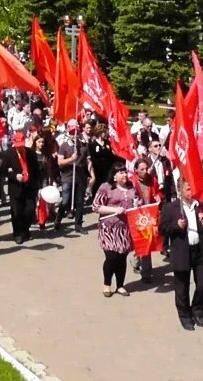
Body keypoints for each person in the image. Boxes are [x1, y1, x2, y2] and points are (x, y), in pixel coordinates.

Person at [159, 176, 203, 331]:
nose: (191, 192)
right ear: (180, 190)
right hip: (182, 251)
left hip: (200, 250)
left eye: (192, 188)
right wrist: (176, 226)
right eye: (188, 189)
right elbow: (162, 229)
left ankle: (196, 308)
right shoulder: (171, 208)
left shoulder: (200, 206)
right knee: (182, 286)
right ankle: (184, 315)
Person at [91, 163, 138, 298]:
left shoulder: (131, 188)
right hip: (109, 229)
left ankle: (120, 285)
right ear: (114, 176)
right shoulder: (106, 187)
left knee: (122, 257)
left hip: (125, 229)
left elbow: (137, 202)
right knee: (112, 257)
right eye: (121, 172)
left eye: (125, 172)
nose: (124, 175)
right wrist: (114, 210)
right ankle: (107, 284)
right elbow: (96, 206)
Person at [0, 132, 38, 244]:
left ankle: (25, 230)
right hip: (16, 188)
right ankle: (17, 233)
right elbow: (2, 171)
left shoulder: (31, 153)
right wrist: (15, 176)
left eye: (21, 145)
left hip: (29, 187)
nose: (20, 147)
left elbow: (36, 171)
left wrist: (37, 186)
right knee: (16, 212)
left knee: (29, 210)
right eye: (18, 145)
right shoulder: (8, 154)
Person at [56, 119, 90, 234]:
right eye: (71, 132)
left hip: (80, 177)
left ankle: (78, 225)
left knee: (80, 202)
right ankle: (58, 220)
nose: (74, 134)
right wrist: (71, 159)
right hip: (67, 177)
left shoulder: (83, 145)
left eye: (76, 132)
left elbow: (88, 161)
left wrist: (91, 174)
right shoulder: (64, 145)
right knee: (65, 201)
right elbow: (60, 162)